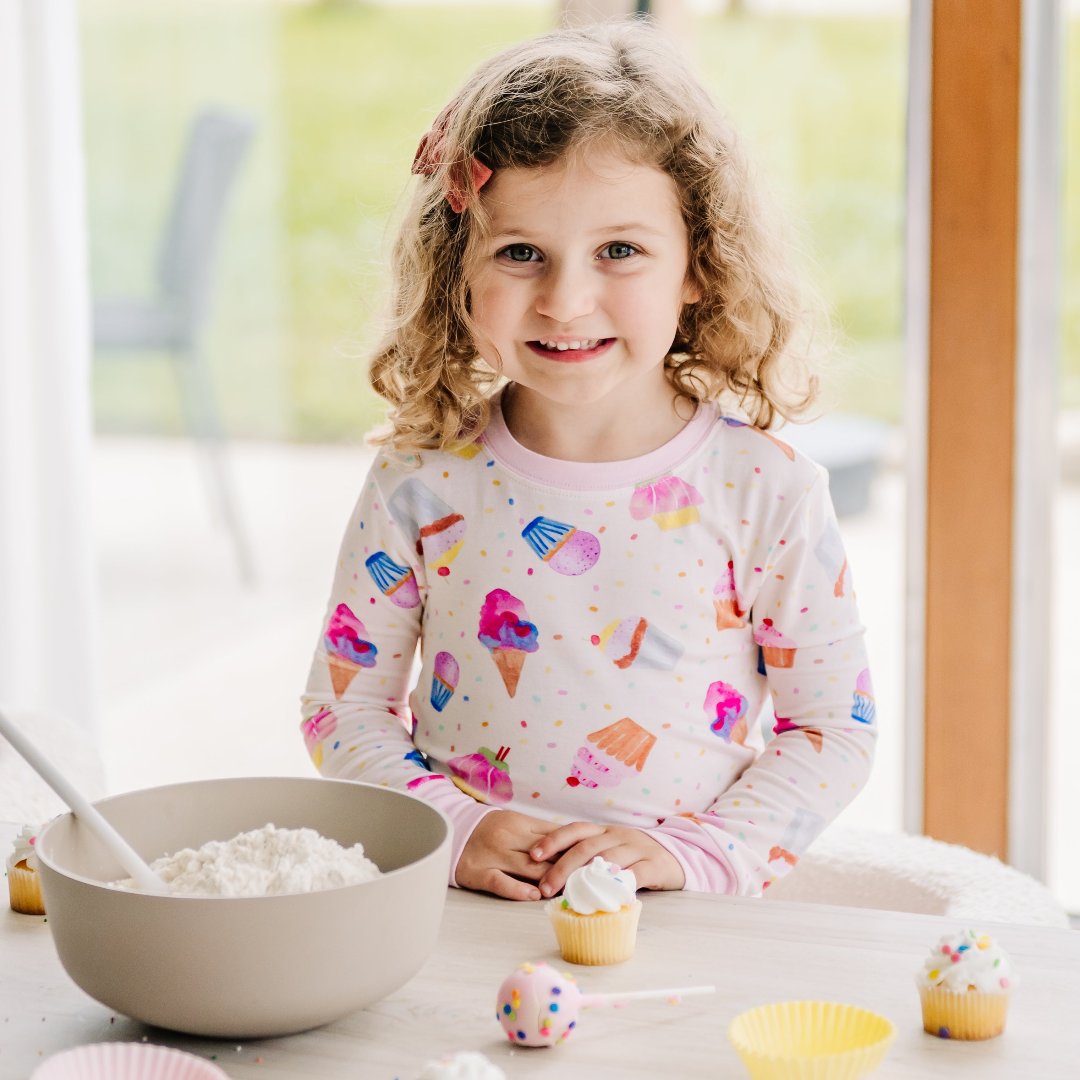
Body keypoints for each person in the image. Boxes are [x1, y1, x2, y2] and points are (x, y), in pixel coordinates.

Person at [300, 20, 876, 903]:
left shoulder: (767, 492)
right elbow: (343, 710)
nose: (567, 300)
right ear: (459, 268)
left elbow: (833, 727)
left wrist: (697, 855)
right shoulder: (418, 481)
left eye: (620, 251)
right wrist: (454, 829)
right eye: (520, 252)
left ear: (699, 264)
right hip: (460, 910)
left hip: (680, 916)